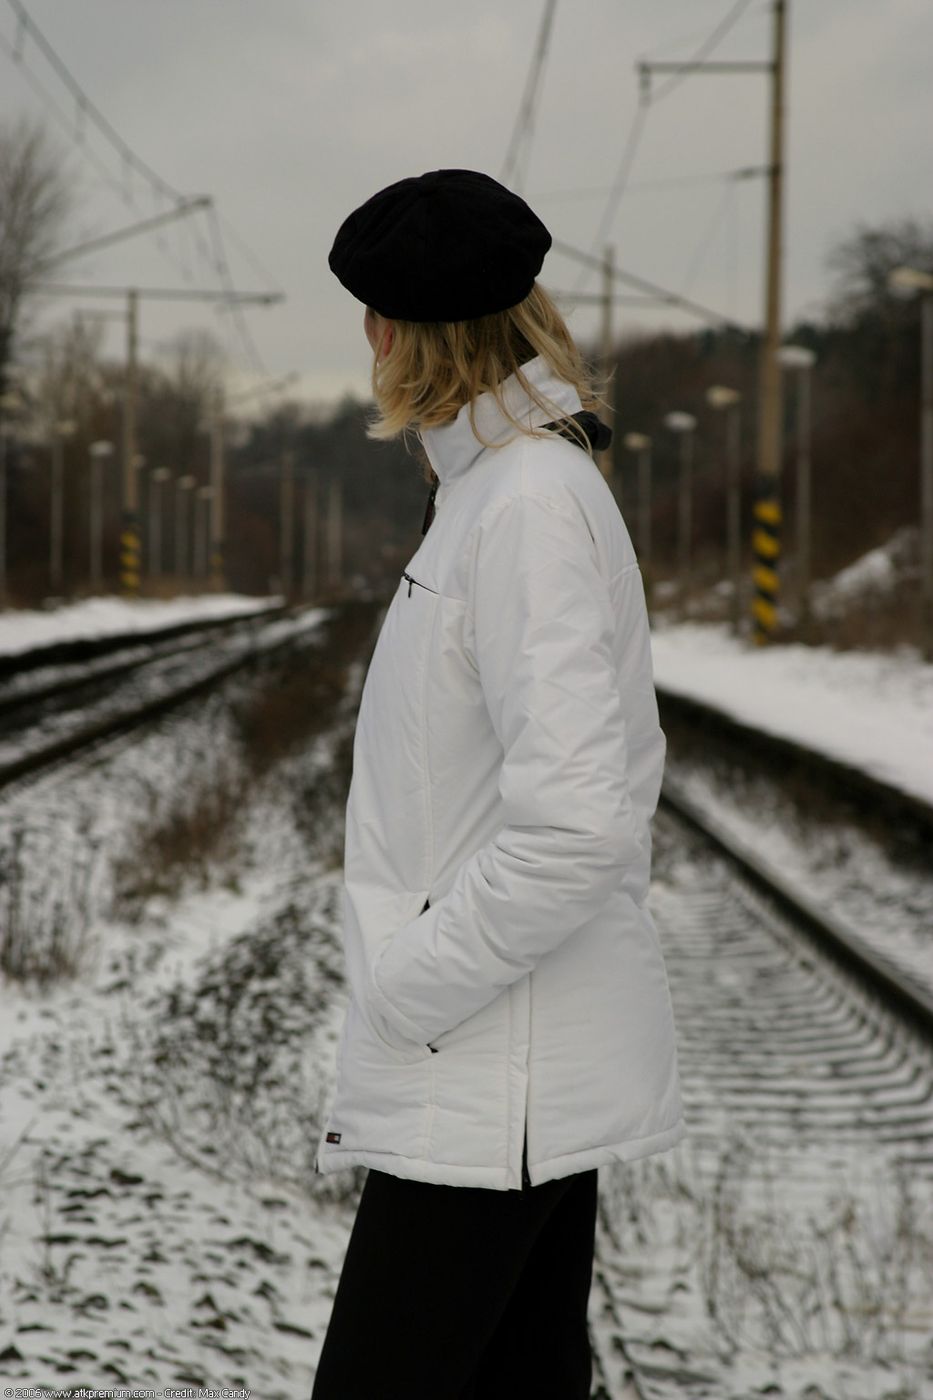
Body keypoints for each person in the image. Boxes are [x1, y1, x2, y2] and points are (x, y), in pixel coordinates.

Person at [311, 169, 684, 1400]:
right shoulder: (497, 491)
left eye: (374, 318)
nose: (368, 343)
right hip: (506, 1076)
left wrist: (407, 985)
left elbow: (577, 825)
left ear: (409, 335)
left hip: (488, 1081)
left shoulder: (521, 505)